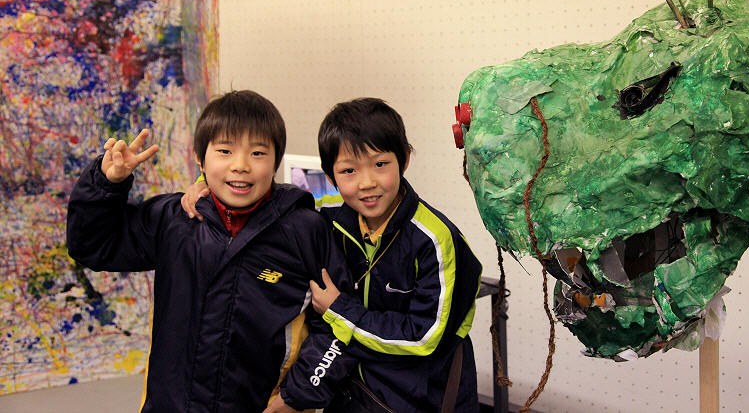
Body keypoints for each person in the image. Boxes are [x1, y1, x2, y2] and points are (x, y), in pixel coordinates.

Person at [67, 90, 353, 413]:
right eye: (225, 151)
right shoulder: (175, 219)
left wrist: (298, 394)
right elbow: (92, 245)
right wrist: (106, 184)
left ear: (276, 161)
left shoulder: (306, 231)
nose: (240, 166)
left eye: (258, 153)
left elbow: (340, 324)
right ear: (200, 158)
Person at [310, 97, 483, 413]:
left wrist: (339, 311)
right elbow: (275, 212)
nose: (367, 183)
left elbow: (424, 338)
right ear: (330, 177)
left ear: (403, 159)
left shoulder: (435, 239)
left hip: (420, 400)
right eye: (349, 170)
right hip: (353, 394)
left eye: (380, 164)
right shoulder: (329, 216)